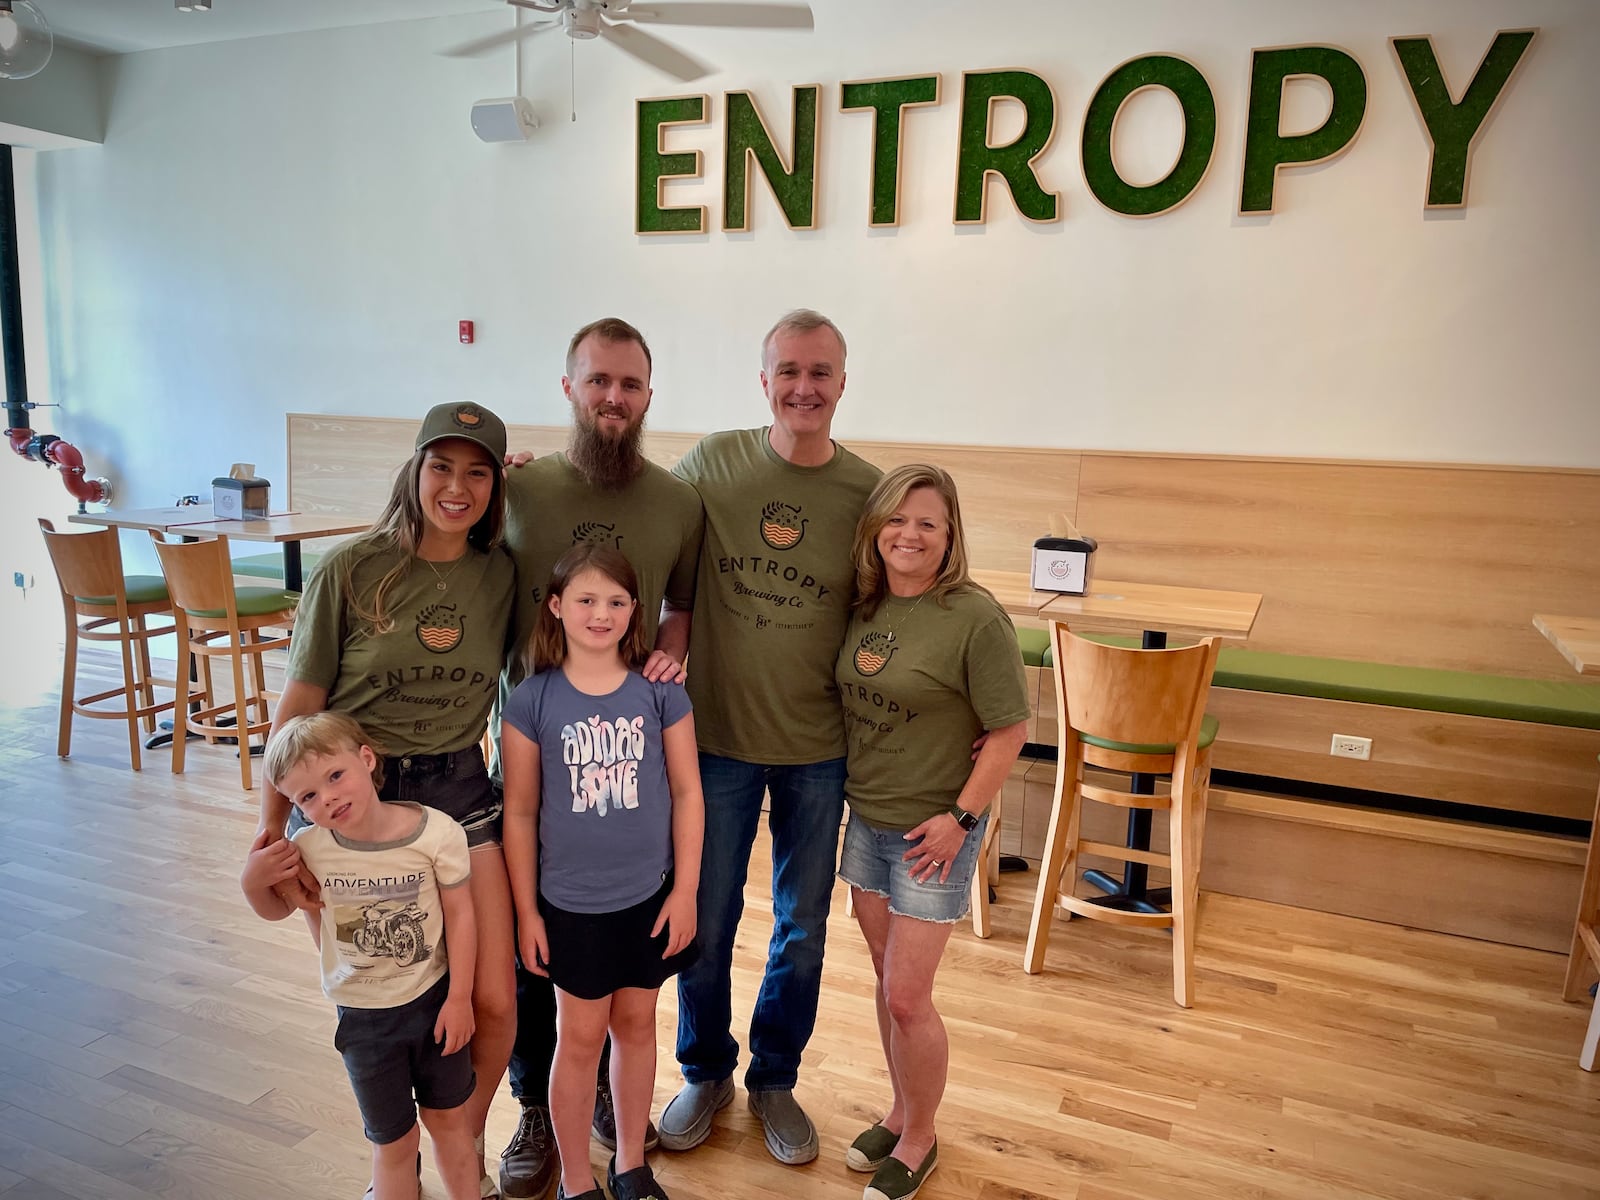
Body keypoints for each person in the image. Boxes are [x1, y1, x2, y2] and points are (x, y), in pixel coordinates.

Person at [254, 402, 518, 1198]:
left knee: (493, 1003)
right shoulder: (351, 567)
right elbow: (301, 701)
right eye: (442, 466)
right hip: (350, 801)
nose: (457, 486)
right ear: (414, 468)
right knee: (376, 1003)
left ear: (497, 484)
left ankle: (458, 1150)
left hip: (459, 792)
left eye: (479, 471)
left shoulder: (502, 572)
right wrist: (269, 828)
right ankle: (396, 1166)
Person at [660, 309, 881, 1165]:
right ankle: (705, 1070)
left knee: (804, 926)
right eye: (788, 370)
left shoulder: (867, 492)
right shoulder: (713, 462)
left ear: (842, 383)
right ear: (764, 382)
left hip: (819, 750)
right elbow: (643, 526)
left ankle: (774, 1078)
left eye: (820, 372)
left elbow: (900, 597)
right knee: (705, 921)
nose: (804, 387)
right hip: (712, 742)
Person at [498, 318, 703, 1198]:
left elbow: (682, 606)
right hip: (538, 758)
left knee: (628, 1019)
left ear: (649, 394)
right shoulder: (520, 491)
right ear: (569, 388)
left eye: (629, 384)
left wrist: (668, 655)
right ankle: (537, 1116)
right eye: (597, 381)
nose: (613, 397)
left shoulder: (677, 501)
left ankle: (620, 1148)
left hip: (639, 848)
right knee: (543, 987)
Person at [834, 464, 1029, 1200]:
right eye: (896, 519)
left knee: (910, 995)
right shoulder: (866, 606)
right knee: (888, 988)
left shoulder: (974, 616)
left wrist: (962, 820)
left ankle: (922, 1137)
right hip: (868, 820)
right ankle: (899, 1108)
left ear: (950, 539)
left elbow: (1010, 730)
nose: (908, 535)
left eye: (928, 523)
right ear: (875, 528)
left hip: (937, 832)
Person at [243, 713, 480, 1200]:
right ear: (295, 804)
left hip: (434, 1004)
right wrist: (252, 880)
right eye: (307, 796)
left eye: (335, 776)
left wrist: (460, 998)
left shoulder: (438, 833)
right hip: (363, 1021)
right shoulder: (307, 849)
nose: (326, 797)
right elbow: (275, 908)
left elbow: (461, 917)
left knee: (450, 1125)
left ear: (367, 760)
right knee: (393, 1142)